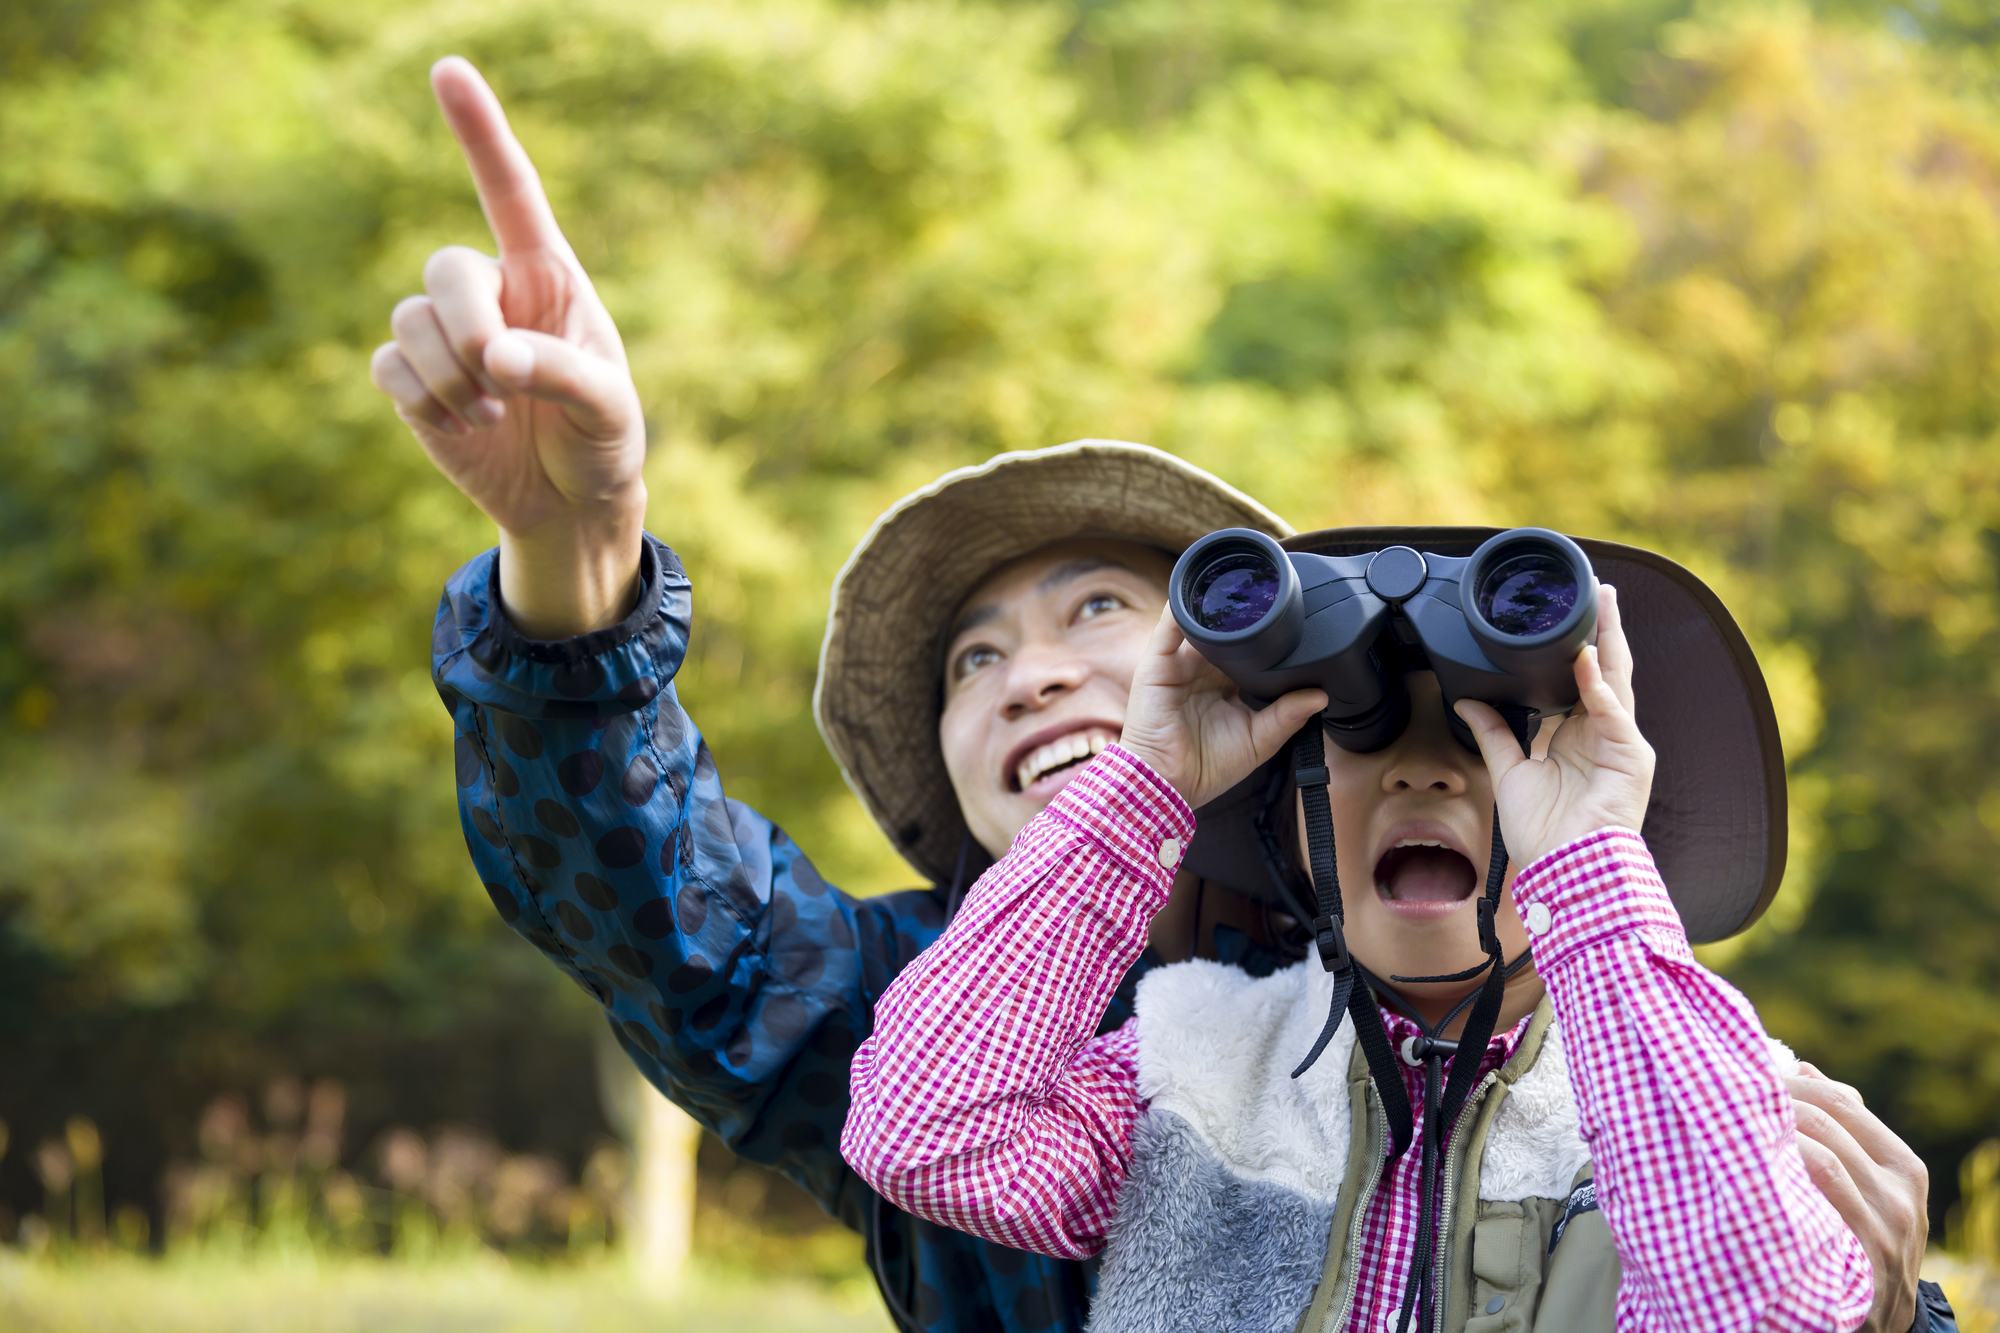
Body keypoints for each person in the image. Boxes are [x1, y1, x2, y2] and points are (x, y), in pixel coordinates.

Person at [369, 55, 1938, 1333]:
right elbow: (658, 901)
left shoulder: (1603, 1020)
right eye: (974, 660)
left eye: (1101, 608)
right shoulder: (971, 1015)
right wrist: (574, 558)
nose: (1033, 672)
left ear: (1272, 693)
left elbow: (1745, 1254)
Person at [841, 532, 1958, 1333]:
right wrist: (1148, 783)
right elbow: (925, 1133)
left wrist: (1585, 848)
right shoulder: (1193, 1067)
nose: (1422, 772)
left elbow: (1764, 1305)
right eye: (1360, 733)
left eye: (1492, 737)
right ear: (1286, 820)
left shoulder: (1693, 1084)